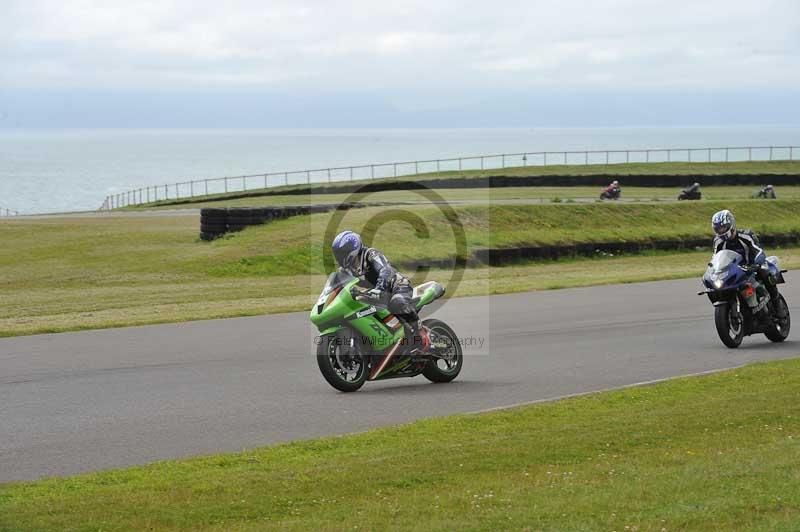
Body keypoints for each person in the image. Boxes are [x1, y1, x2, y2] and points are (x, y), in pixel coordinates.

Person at [331, 230, 429, 353]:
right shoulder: (345, 270)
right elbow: (337, 286)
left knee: (397, 302)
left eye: (341, 253)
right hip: (374, 295)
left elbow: (385, 270)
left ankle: (419, 332)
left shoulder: (370, 254)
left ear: (352, 248)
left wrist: (379, 288)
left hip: (396, 287)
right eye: (337, 254)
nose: (339, 257)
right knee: (355, 311)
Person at [711, 210, 786, 317]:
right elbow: (715, 258)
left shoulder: (746, 236)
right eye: (717, 229)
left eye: (723, 227)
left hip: (752, 266)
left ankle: (777, 303)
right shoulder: (717, 241)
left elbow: (759, 251)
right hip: (735, 270)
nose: (720, 231)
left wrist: (755, 264)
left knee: (765, 271)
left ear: (731, 225)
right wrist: (713, 271)